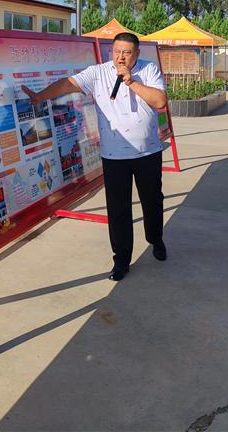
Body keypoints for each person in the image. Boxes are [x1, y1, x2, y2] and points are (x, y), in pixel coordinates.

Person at [22, 32, 167, 282]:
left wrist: (131, 81)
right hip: (113, 155)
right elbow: (67, 84)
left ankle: (156, 239)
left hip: (148, 152)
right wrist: (39, 96)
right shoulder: (97, 73)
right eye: (117, 51)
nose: (121, 57)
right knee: (118, 209)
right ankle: (121, 260)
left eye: (127, 52)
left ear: (136, 54)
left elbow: (160, 101)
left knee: (152, 201)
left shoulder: (148, 69)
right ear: (111, 52)